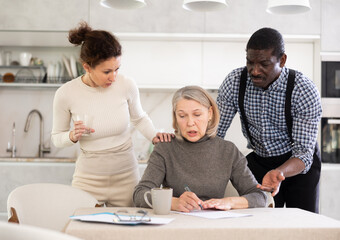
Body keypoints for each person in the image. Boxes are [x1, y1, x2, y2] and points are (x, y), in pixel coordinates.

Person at [51, 22, 172, 207]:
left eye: (117, 69)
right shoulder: (66, 94)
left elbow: (139, 118)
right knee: (82, 231)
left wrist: (155, 137)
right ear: (87, 67)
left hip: (126, 176)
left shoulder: (126, 85)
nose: (113, 77)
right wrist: (71, 136)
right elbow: (56, 138)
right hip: (87, 179)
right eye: (107, 71)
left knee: (128, 232)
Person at [216, 27, 322, 213]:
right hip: (260, 161)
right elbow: (215, 131)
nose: (255, 71)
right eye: (250, 62)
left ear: (282, 60)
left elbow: (304, 153)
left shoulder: (303, 90)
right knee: (260, 220)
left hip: (297, 164)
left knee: (302, 224)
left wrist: (279, 172)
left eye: (264, 64)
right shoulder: (234, 82)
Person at [133, 86, 267, 212]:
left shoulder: (228, 151)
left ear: (209, 114)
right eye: (182, 116)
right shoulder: (165, 148)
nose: (190, 123)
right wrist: (173, 202)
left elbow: (259, 196)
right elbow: (140, 194)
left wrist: (229, 202)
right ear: (176, 117)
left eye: (197, 115)